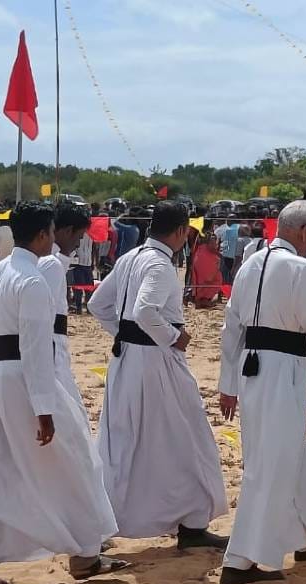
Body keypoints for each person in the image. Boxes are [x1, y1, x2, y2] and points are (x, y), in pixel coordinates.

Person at [0, 202, 125, 584]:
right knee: (76, 461)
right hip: (23, 378)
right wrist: (45, 409)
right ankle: (84, 554)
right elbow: (35, 349)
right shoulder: (31, 281)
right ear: (42, 235)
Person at [217, 200, 306, 584]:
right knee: (271, 464)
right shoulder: (299, 268)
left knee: (289, 454)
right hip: (282, 370)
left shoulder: (248, 264)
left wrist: (227, 385)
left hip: (251, 367)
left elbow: (231, 330)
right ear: (303, 231)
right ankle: (241, 561)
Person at [88, 201, 228, 550]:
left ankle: (104, 522)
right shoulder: (160, 264)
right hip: (158, 362)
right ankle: (192, 526)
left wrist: (123, 334)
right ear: (181, 231)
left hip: (127, 360)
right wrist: (172, 337)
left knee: (126, 443)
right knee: (189, 438)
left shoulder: (129, 258)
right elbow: (145, 311)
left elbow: (97, 305)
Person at [38, 204, 92, 407]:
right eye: (78, 237)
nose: (79, 243)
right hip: (49, 353)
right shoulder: (49, 263)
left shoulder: (55, 261)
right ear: (67, 231)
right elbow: (44, 318)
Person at [190, 228, 224, 307]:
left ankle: (200, 300)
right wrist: (219, 255)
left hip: (198, 259)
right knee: (216, 279)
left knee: (199, 281)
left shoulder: (198, 239)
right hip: (207, 261)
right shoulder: (211, 238)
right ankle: (204, 300)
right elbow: (211, 248)